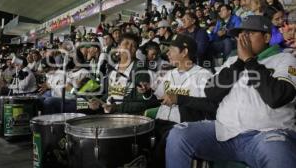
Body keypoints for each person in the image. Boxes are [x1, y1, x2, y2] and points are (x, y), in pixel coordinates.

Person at [165, 15, 296, 168]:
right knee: (178, 135)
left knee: (278, 154)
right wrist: (239, 63)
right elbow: (211, 92)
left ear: (266, 37)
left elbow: (276, 97)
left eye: (249, 34)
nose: (242, 40)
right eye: (240, 36)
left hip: (267, 134)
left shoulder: (284, 59)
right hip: (224, 132)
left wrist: (249, 61)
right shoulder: (232, 61)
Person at [151, 35, 215, 168]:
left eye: (171, 50)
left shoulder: (203, 75)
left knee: (162, 144)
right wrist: (147, 91)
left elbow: (209, 106)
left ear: (185, 52)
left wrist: (180, 99)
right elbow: (159, 97)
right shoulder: (169, 74)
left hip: (182, 127)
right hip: (160, 123)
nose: (167, 53)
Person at [88, 33, 160, 114]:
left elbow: (142, 103)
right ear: (118, 47)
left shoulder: (140, 71)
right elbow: (110, 94)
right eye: (126, 44)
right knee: (78, 104)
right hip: (108, 113)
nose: (129, 47)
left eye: (133, 46)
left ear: (136, 50)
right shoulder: (114, 68)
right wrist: (99, 102)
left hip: (125, 117)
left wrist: (116, 108)